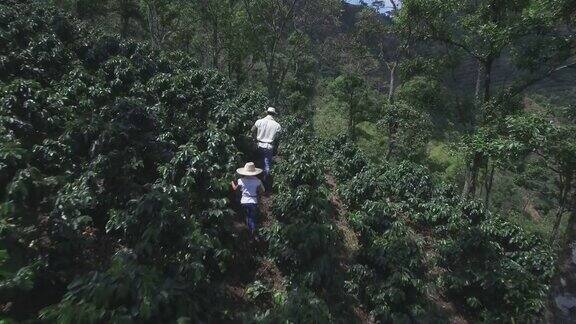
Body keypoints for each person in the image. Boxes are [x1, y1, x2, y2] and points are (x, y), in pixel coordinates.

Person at [231, 162, 265, 236]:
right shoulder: (258, 181)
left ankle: (249, 233)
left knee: (247, 217)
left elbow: (234, 188)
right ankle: (253, 231)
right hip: (253, 201)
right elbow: (262, 190)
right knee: (252, 217)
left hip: (244, 201)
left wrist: (232, 182)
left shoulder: (241, 180)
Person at [252, 107, 281, 186]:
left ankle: (254, 180)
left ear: (267, 113)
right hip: (269, 146)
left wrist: (255, 139)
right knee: (267, 165)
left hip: (259, 144)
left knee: (257, 162)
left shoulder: (259, 121)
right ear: (274, 114)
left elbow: (252, 130)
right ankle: (264, 183)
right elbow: (278, 138)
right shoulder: (277, 125)